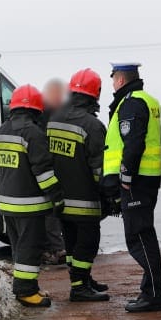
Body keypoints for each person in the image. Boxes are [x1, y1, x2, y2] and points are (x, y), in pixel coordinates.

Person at [102, 63, 161, 312]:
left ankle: (153, 295)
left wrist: (125, 177)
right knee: (144, 235)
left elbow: (133, 142)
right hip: (145, 178)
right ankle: (151, 292)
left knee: (139, 237)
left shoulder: (130, 102)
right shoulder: (147, 99)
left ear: (119, 79)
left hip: (136, 180)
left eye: (113, 79)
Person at [0, 84, 64, 308]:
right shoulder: (33, 133)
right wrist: (57, 196)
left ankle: (28, 287)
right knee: (30, 248)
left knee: (19, 248)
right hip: (29, 205)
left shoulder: (1, 131)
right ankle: (25, 292)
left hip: (7, 203)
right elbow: (43, 171)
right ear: (36, 109)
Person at [47, 68, 110, 302]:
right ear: (95, 94)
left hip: (61, 198)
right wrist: (106, 194)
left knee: (72, 242)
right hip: (85, 199)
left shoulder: (53, 120)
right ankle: (80, 288)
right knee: (88, 242)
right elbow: (98, 168)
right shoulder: (92, 126)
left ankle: (81, 280)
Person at [39, 78, 67, 265]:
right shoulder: (49, 114)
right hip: (50, 167)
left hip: (54, 167)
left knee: (53, 212)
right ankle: (57, 249)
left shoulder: (51, 113)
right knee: (51, 212)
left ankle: (56, 248)